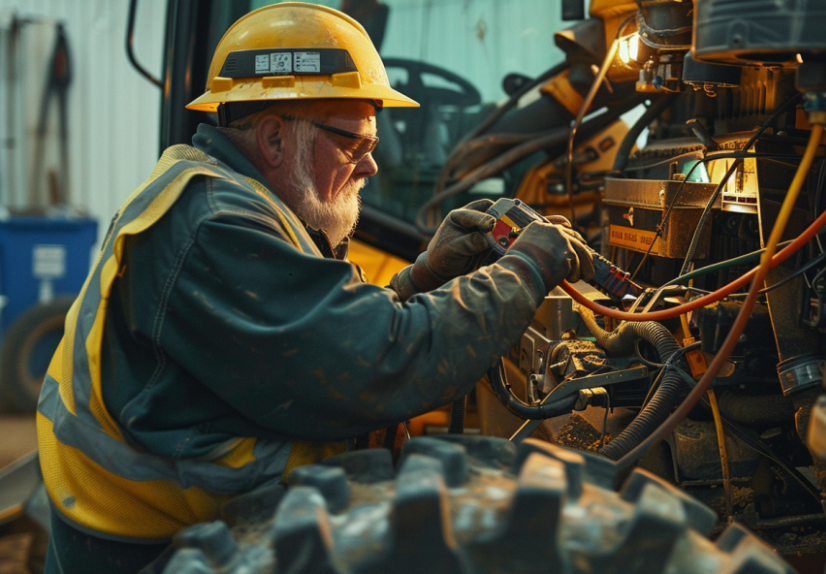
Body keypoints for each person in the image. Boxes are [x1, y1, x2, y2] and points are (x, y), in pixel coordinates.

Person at [36, 4, 594, 573]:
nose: (371, 166)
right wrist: (527, 266)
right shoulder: (213, 227)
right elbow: (377, 364)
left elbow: (318, 341)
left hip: (184, 527)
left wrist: (426, 274)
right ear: (276, 137)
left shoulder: (237, 202)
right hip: (157, 551)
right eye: (355, 144)